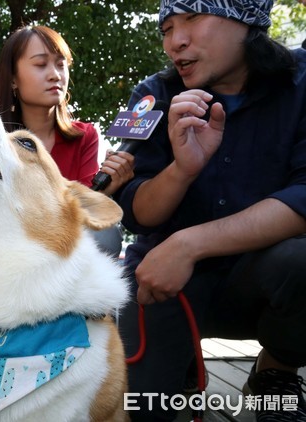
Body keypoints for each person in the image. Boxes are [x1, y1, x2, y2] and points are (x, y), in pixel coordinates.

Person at [114, 1, 306, 420]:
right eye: (166, 28)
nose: (174, 41)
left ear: (246, 18)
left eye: (193, 18)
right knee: (140, 407)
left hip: (262, 282)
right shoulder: (151, 95)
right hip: (163, 284)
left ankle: (277, 371)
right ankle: (180, 361)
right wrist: (181, 171)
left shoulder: (302, 80)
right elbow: (133, 212)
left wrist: (190, 244)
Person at [0, 25, 135, 257]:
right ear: (13, 79)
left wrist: (105, 190)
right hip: (4, 251)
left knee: (105, 234)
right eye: (40, 64)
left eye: (61, 64)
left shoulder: (85, 135)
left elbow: (82, 215)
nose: (55, 75)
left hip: (63, 254)